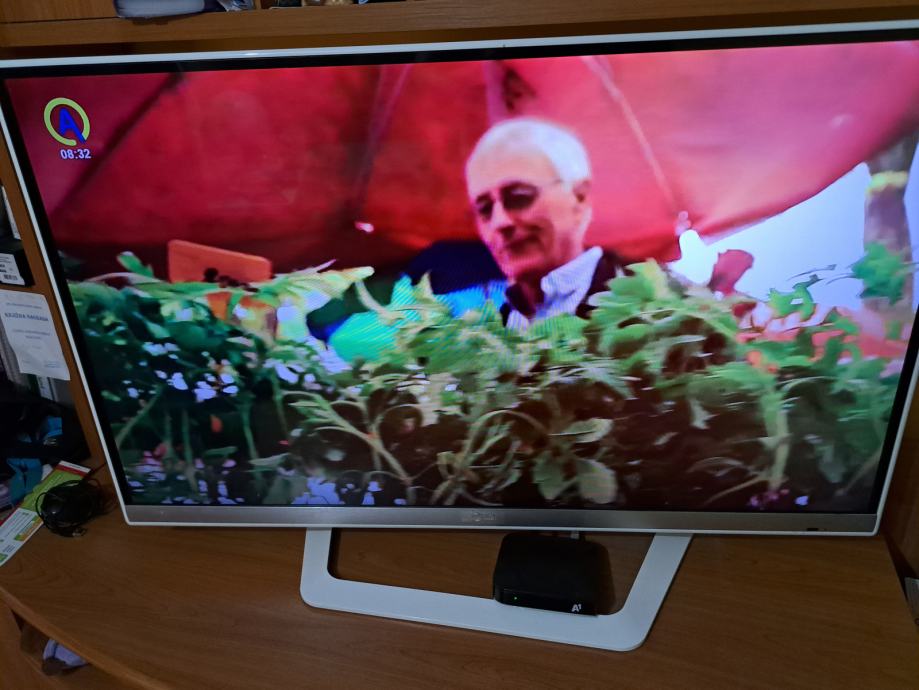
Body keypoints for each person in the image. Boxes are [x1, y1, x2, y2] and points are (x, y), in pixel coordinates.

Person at [465, 117, 627, 328]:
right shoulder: (486, 334)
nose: (500, 222)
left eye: (519, 197)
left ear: (579, 197)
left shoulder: (658, 309)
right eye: (485, 209)